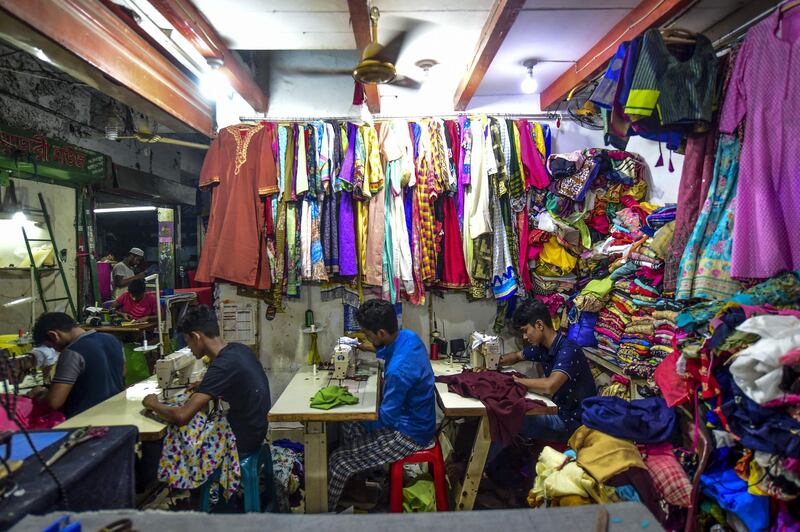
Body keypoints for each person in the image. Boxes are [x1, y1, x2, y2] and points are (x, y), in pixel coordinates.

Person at [327, 299, 436, 511]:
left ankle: (323, 517)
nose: (366, 338)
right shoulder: (408, 337)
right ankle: (358, 486)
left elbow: (386, 420)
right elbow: (388, 350)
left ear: (381, 333)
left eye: (368, 335)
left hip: (409, 434)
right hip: (417, 419)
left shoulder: (398, 371)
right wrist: (360, 346)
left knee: (338, 461)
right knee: (347, 427)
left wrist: (354, 412)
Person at [141, 305, 271, 456]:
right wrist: (205, 386)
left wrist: (153, 403)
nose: (188, 347)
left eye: (187, 341)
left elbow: (181, 416)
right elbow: (239, 387)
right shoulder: (239, 350)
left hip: (239, 442)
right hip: (255, 432)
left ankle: (167, 479)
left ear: (196, 337)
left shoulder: (221, 366)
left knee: (161, 445)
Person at [496, 299, 596, 445]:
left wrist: (516, 381)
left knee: (507, 419)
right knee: (504, 411)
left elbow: (550, 385)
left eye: (525, 331)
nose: (524, 337)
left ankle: (477, 465)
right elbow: (517, 356)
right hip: (557, 410)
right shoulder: (544, 348)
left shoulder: (569, 350)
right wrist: (493, 361)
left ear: (539, 325)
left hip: (571, 423)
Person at [29, 312, 125, 418]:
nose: (56, 350)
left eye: (51, 347)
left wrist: (38, 395)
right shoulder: (112, 339)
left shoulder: (72, 352)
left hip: (85, 421)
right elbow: (122, 373)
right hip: (116, 413)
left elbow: (54, 402)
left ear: (54, 335)